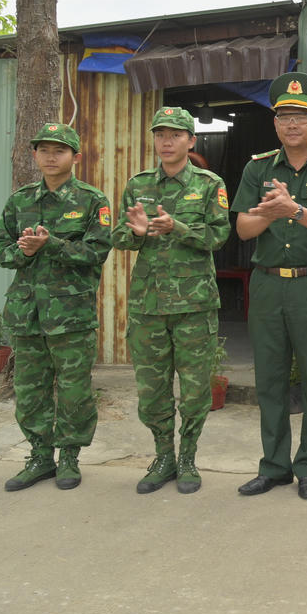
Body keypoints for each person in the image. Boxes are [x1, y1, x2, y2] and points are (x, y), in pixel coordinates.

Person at [232, 73, 307, 501]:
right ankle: (274, 466)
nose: (293, 123)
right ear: (275, 122)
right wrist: (272, 211)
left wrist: (294, 209)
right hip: (267, 287)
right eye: (285, 115)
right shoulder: (257, 167)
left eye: (302, 116)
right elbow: (244, 229)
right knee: (269, 379)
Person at [111, 107, 230, 494]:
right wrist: (140, 232)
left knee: (195, 389)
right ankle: (163, 455)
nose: (167, 141)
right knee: (152, 388)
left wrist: (175, 226)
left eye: (176, 134)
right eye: (160, 133)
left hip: (195, 304)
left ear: (191, 140)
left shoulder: (210, 184)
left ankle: (188, 457)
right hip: (148, 304)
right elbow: (119, 238)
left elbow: (219, 237)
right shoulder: (138, 184)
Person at [0, 123, 112, 492]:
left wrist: (52, 244)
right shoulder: (21, 200)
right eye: (43, 150)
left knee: (74, 391)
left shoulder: (92, 200)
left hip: (71, 316)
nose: (50, 157)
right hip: (27, 314)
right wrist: (22, 252)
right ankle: (40, 457)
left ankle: (70, 457)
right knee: (30, 390)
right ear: (34, 155)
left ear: (75, 157)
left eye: (59, 151)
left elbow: (97, 251)